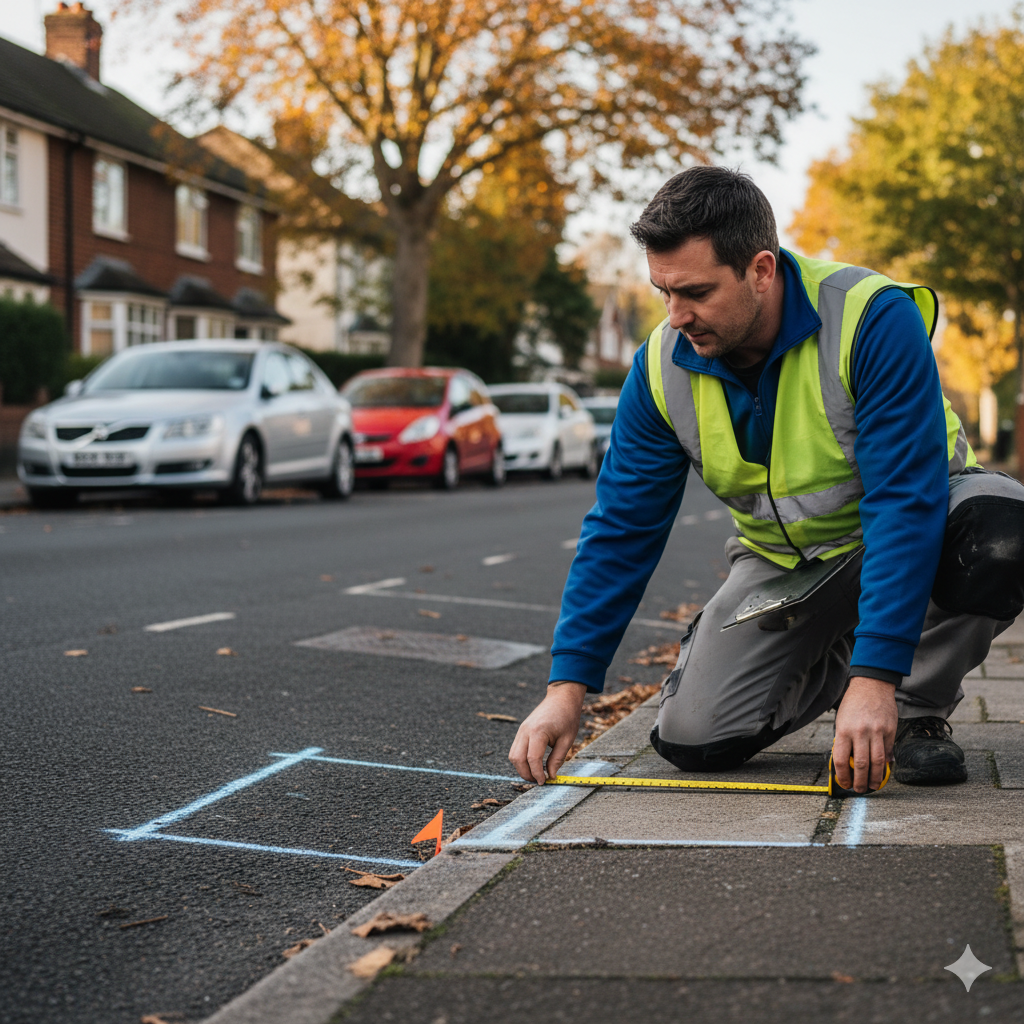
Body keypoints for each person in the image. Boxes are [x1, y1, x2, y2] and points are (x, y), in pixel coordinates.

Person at [509, 166, 1024, 795]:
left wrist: (878, 679)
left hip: (922, 527)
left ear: (760, 269)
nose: (677, 316)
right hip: (789, 566)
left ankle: (912, 706)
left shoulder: (871, 318)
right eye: (663, 292)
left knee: (1003, 530)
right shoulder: (659, 367)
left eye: (695, 292)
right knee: (694, 740)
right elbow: (622, 528)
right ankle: (847, 662)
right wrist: (567, 688)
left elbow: (903, 503)